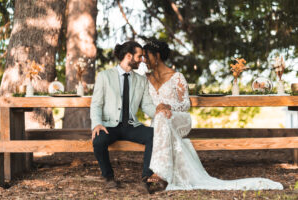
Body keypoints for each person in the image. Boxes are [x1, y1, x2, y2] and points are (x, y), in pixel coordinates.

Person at [142, 39, 284, 191]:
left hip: (179, 119)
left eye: (146, 56)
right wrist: (160, 110)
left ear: (156, 56)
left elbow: (185, 105)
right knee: (161, 118)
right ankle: (160, 175)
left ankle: (160, 174)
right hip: (160, 122)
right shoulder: (145, 79)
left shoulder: (177, 77)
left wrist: (168, 106)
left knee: (162, 118)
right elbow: (145, 105)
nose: (144, 60)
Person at [90, 41, 171, 193]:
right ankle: (108, 177)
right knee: (98, 140)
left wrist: (159, 111)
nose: (142, 60)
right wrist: (97, 124)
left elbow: (146, 105)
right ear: (129, 56)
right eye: (139, 56)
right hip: (109, 125)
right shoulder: (104, 76)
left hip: (132, 126)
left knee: (154, 135)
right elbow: (96, 104)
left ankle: (146, 179)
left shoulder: (141, 80)